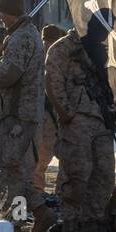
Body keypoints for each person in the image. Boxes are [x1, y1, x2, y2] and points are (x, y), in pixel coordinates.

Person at [0, 0, 54, 232]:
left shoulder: (20, 38)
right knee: (13, 168)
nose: (1, 20)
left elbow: (10, 73)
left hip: (17, 116)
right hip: (20, 114)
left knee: (7, 169)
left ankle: (23, 220)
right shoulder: (22, 35)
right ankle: (34, 213)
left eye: (2, 14)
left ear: (8, 12)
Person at [45, 11, 116, 232]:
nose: (105, 33)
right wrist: (68, 115)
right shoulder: (64, 48)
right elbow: (53, 84)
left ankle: (92, 222)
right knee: (76, 173)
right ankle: (70, 223)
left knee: (104, 174)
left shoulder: (102, 51)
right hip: (77, 121)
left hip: (101, 121)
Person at [33, 23, 66, 194]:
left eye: (51, 40)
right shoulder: (37, 61)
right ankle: (38, 195)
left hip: (61, 116)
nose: (47, 44)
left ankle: (62, 194)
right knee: (40, 160)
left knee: (68, 160)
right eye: (45, 40)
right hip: (45, 117)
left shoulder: (64, 61)